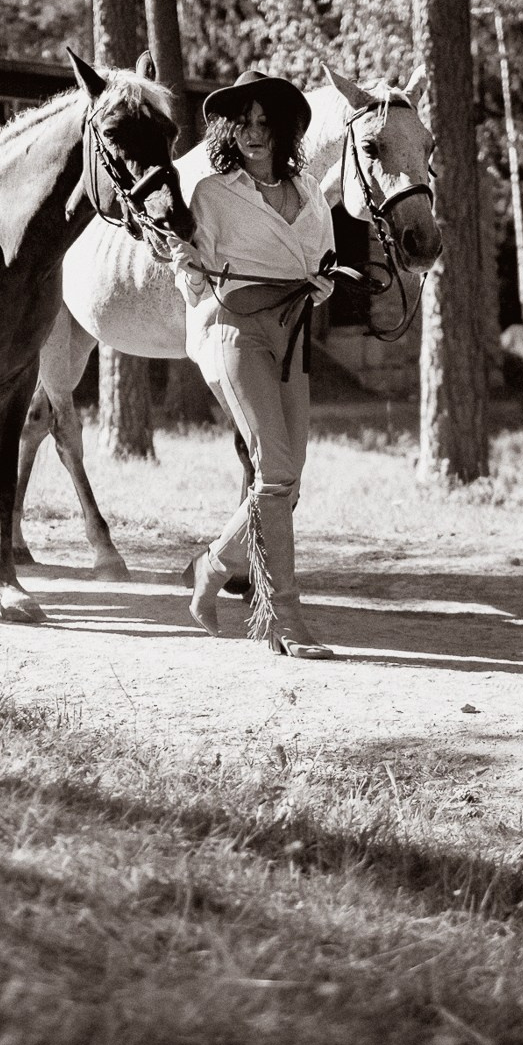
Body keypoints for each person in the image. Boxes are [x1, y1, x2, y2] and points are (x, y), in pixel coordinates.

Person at [173, 70, 337, 660]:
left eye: (267, 123)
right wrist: (186, 262)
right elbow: (195, 278)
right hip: (233, 331)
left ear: (286, 129)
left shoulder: (310, 191)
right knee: (273, 472)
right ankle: (282, 618)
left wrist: (322, 284)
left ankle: (211, 568)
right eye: (244, 122)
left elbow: (319, 263)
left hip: (290, 334)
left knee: (286, 485)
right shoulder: (214, 195)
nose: (255, 133)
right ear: (229, 128)